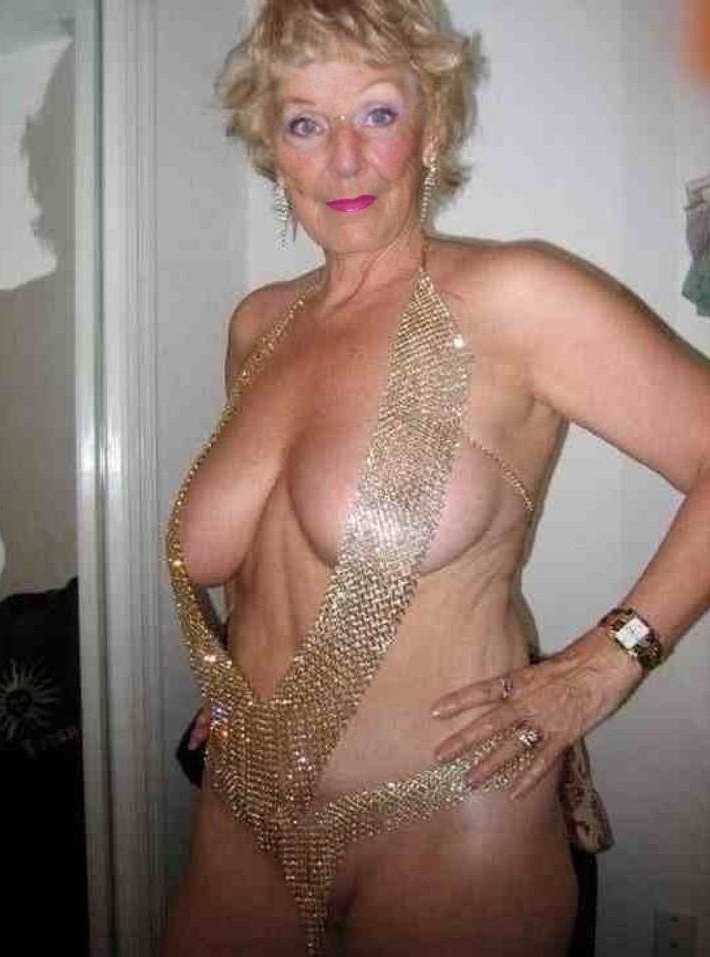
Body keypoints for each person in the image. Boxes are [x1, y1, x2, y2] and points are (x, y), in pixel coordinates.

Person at [162, 1, 710, 954]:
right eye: (305, 123)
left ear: (431, 128)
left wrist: (602, 664)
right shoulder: (256, 325)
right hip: (241, 811)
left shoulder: (516, 296)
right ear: (272, 149)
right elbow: (268, 562)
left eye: (377, 113)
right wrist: (244, 677)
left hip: (450, 821)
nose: (343, 159)